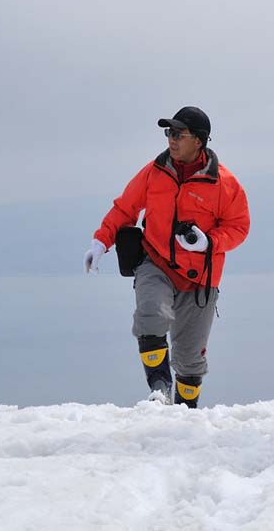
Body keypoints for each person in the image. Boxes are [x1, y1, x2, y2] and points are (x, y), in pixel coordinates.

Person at [83, 106, 250, 407]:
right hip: (155, 262)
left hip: (200, 278)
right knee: (150, 315)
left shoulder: (225, 183)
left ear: (199, 141)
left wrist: (208, 243)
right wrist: (100, 242)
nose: (171, 140)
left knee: (190, 360)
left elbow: (239, 227)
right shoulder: (153, 171)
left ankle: (185, 416)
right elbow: (125, 209)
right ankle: (159, 389)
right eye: (168, 133)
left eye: (178, 134)